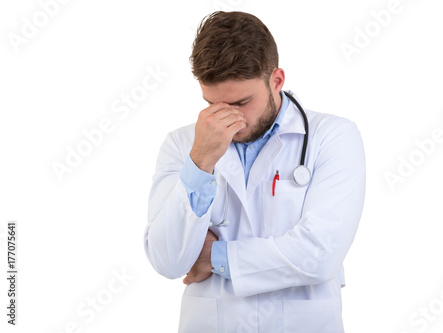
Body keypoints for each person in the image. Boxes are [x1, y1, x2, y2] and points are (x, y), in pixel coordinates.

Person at [143, 11, 366, 333]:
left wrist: (212, 256)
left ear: (276, 80)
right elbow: (167, 261)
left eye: (242, 102)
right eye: (212, 104)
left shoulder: (333, 136)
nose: (227, 119)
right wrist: (200, 162)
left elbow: (319, 254)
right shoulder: (182, 146)